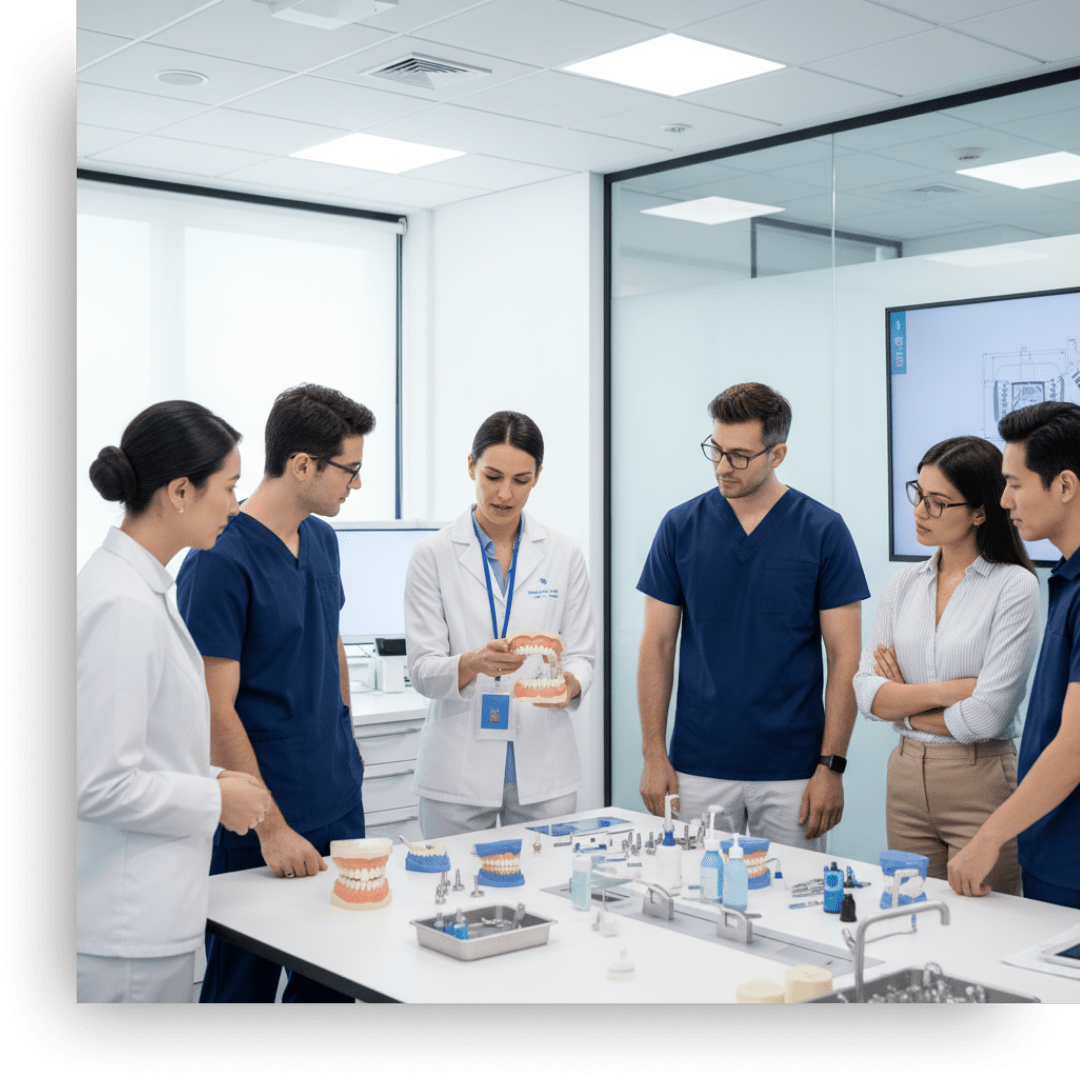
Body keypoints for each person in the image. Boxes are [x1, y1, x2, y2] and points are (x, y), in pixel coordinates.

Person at [176, 384, 374, 1003]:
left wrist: (346, 739)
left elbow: (331, 640)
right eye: (351, 470)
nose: (356, 485)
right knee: (244, 986)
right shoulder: (218, 558)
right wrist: (270, 827)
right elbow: (212, 708)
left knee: (340, 979)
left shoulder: (322, 539)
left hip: (336, 798)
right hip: (261, 816)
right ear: (302, 466)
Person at [77, 401, 271, 1004]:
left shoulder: (143, 588)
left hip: (147, 920)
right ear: (181, 491)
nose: (237, 507)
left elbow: (152, 749)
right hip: (124, 933)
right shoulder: (123, 606)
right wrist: (216, 796)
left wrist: (216, 779)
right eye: (231, 487)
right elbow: (96, 783)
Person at [637, 383, 868, 850]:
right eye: (716, 451)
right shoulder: (680, 527)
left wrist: (831, 766)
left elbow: (846, 657)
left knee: (792, 910)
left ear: (777, 453)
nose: (723, 466)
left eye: (739, 456)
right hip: (697, 766)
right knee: (693, 905)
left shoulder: (824, 531)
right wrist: (653, 754)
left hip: (793, 772)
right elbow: (657, 644)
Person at [854, 437, 1039, 894]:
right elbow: (865, 692)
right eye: (918, 495)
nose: (919, 511)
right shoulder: (904, 583)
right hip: (904, 780)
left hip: (980, 780)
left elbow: (988, 715)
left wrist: (904, 703)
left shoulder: (1014, 586)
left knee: (986, 926)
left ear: (979, 511)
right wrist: (950, 690)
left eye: (937, 503)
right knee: (911, 915)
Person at [404, 411, 596, 838]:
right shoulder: (432, 554)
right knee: (448, 892)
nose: (505, 493)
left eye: (521, 480)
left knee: (548, 893)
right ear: (470, 465)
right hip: (458, 768)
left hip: (543, 763)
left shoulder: (563, 553)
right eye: (492, 476)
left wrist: (569, 684)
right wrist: (472, 662)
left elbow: (582, 654)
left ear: (538, 476)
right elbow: (420, 669)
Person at [948, 402, 1080, 908]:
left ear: (1064, 486)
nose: (1004, 500)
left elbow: (1073, 745)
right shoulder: (1067, 578)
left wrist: (987, 837)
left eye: (1015, 483)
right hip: (1050, 850)